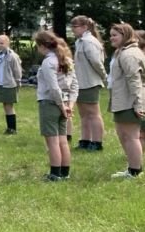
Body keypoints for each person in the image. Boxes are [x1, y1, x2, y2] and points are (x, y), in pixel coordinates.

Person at [34, 30, 76, 182]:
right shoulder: (67, 60)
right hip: (64, 102)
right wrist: (69, 104)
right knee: (63, 140)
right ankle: (65, 172)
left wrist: (61, 105)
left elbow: (53, 87)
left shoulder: (48, 62)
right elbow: (74, 85)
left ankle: (55, 173)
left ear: (42, 46)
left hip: (50, 103)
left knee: (52, 141)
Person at [105, 23, 145, 179]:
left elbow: (134, 80)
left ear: (126, 35)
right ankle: (131, 168)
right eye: (111, 35)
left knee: (131, 136)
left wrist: (137, 104)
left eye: (115, 35)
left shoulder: (129, 54)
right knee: (123, 134)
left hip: (130, 101)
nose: (111, 38)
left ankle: (135, 171)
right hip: (123, 100)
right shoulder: (122, 52)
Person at [71, 15, 107, 151]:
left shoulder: (89, 42)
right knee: (83, 114)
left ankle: (97, 142)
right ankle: (85, 140)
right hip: (80, 82)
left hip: (90, 82)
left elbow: (96, 62)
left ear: (85, 27)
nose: (73, 29)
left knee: (93, 113)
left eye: (75, 27)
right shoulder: (80, 41)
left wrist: (104, 76)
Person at [0, 35, 23, 134]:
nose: (0, 45)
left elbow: (17, 71)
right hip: (1, 83)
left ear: (7, 43)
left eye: (2, 43)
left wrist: (18, 82)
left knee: (9, 106)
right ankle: (9, 127)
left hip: (9, 84)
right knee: (5, 105)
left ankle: (12, 128)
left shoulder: (12, 56)